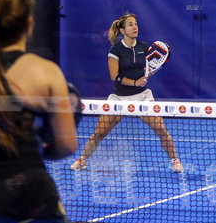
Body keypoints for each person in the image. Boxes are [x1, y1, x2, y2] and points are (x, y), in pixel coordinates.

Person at [0, 0, 82, 223]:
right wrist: (40, 147)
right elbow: (67, 145)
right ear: (28, 25)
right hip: (27, 193)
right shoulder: (44, 72)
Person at [70, 13, 183, 173]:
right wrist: (135, 81)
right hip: (119, 99)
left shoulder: (145, 48)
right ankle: (82, 160)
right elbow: (114, 76)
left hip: (142, 97)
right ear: (122, 30)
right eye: (130, 24)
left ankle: (175, 161)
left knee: (161, 130)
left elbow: (147, 68)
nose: (135, 27)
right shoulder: (115, 50)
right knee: (99, 133)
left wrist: (145, 75)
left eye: (136, 24)